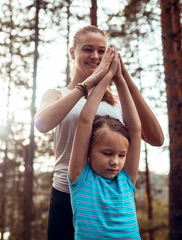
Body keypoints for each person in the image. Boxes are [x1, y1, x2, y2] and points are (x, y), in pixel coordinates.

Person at [34, 25, 164, 240]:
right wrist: (89, 84)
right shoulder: (57, 94)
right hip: (67, 194)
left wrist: (123, 77)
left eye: (102, 51)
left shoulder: (118, 104)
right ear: (73, 52)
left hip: (109, 197)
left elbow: (156, 138)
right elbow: (41, 124)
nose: (95, 56)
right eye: (88, 49)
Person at [68, 49, 141, 239]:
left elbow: (135, 129)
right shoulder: (80, 178)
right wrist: (106, 76)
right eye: (107, 153)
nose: (115, 162)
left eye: (121, 155)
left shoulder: (126, 180)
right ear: (89, 152)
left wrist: (120, 80)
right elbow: (85, 119)